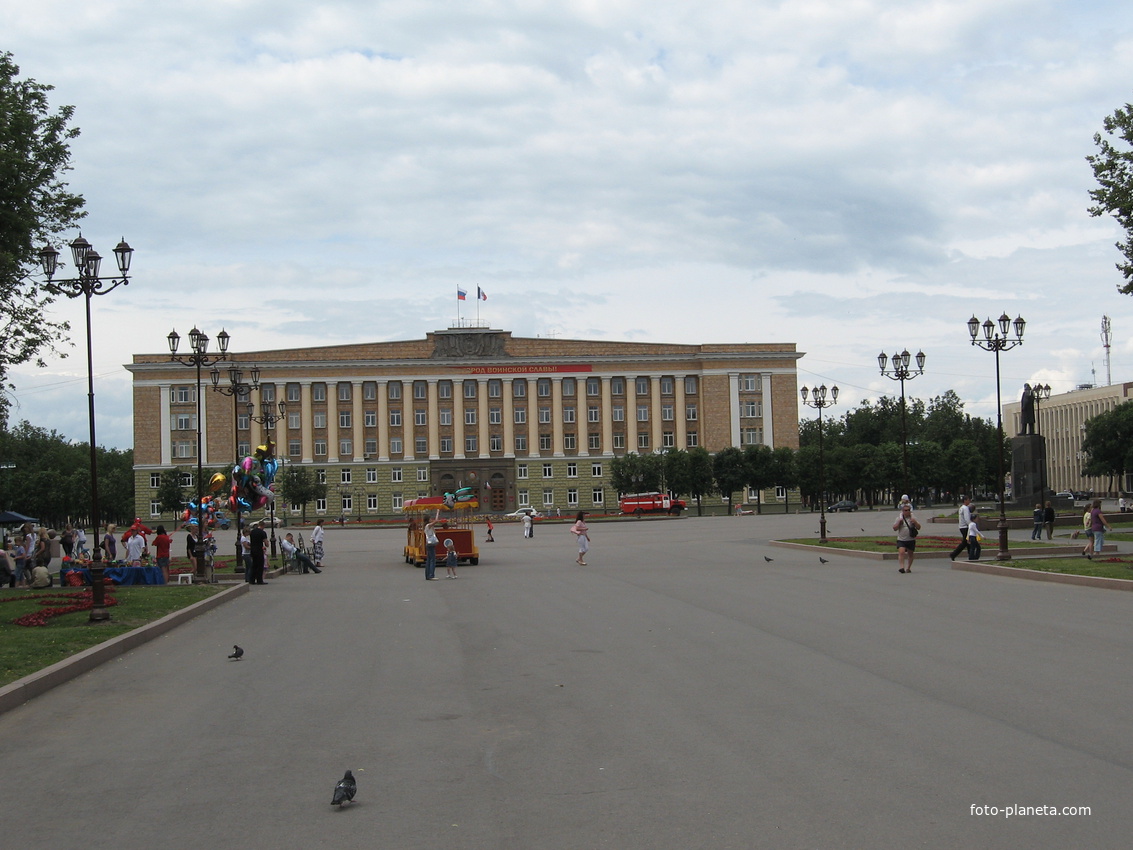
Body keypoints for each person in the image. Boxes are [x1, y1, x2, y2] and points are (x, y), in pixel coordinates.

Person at [893, 503, 921, 573]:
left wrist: (915, 522)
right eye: (905, 510)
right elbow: (894, 528)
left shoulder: (913, 518)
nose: (907, 511)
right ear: (902, 511)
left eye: (908, 510)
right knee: (901, 552)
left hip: (910, 539)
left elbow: (919, 527)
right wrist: (899, 522)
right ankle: (902, 567)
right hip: (901, 539)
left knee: (910, 554)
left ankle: (908, 568)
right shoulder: (899, 518)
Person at [949, 496, 972, 561]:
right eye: (968, 500)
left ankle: (971, 555)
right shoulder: (965, 508)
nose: (969, 501)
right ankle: (953, 554)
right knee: (965, 542)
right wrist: (970, 525)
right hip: (965, 527)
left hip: (962, 527)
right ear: (965, 500)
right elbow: (967, 518)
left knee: (967, 542)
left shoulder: (961, 508)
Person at [423, 513, 439, 580]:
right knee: (432, 559)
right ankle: (431, 575)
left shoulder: (427, 526)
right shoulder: (427, 526)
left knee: (429, 560)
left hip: (429, 544)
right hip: (431, 544)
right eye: (430, 519)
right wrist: (438, 512)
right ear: (428, 520)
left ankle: (427, 575)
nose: (431, 520)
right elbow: (435, 522)